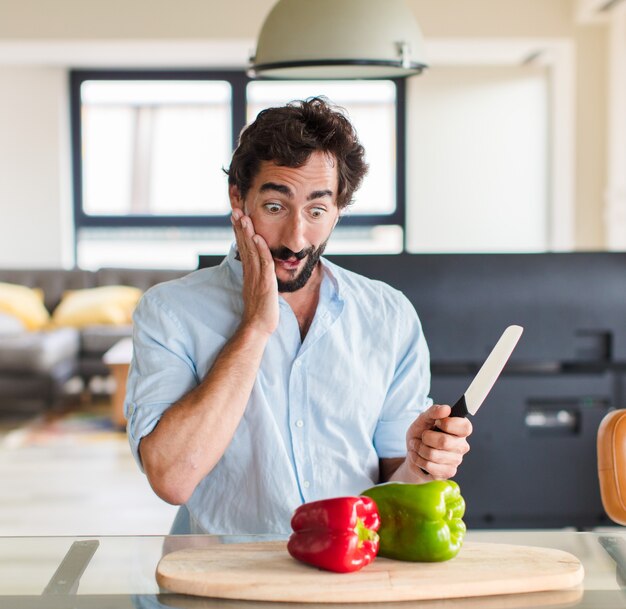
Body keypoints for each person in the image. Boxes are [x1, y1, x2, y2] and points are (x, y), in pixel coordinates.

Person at [125, 97, 472, 535]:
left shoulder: (389, 315)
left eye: (316, 210)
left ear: (339, 209)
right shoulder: (170, 312)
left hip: (351, 570)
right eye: (275, 207)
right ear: (239, 198)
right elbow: (172, 478)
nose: (295, 238)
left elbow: (391, 482)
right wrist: (254, 327)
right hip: (225, 583)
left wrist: (421, 464)